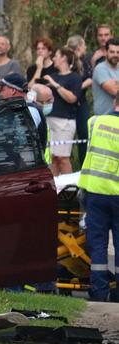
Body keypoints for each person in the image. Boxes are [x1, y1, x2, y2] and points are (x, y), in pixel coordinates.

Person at [77, 92, 119, 302]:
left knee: (99, 244)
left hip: (94, 193)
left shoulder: (95, 122)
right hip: (117, 195)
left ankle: (99, 292)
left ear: (115, 101)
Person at [43, 47, 82, 176]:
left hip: (65, 122)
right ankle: (55, 190)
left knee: (63, 158)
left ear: (64, 58)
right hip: (50, 120)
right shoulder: (52, 76)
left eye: (56, 55)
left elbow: (72, 99)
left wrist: (56, 85)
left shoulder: (75, 78)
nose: (53, 58)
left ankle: (69, 191)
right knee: (53, 158)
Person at [67, 35, 94, 163]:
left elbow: (90, 77)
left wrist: (79, 88)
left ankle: (83, 163)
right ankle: (67, 162)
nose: (86, 48)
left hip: (81, 102)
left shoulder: (85, 61)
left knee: (84, 133)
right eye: (84, 45)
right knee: (67, 136)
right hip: (66, 104)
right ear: (78, 47)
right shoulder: (66, 61)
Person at [92, 38, 119, 116]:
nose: (115, 55)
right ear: (106, 52)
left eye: (118, 52)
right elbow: (115, 91)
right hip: (103, 119)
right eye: (112, 52)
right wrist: (115, 86)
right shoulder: (100, 69)